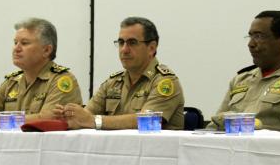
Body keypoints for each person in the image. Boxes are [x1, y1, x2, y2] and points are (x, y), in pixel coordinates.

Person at [207, 10, 280, 132]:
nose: (250, 44)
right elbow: (214, 128)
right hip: (233, 144)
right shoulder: (241, 80)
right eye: (250, 36)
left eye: (258, 36)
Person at [56, 17, 184, 130]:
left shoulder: (165, 82)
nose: (124, 50)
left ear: (151, 48)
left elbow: (147, 121)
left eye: (132, 43)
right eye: (121, 42)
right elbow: (86, 115)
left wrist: (94, 121)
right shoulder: (113, 83)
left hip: (153, 149)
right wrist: (72, 116)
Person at [0, 18, 82, 126]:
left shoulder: (62, 81)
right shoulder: (11, 82)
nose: (16, 48)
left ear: (47, 50)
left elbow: (46, 121)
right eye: (15, 43)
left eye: (24, 43)